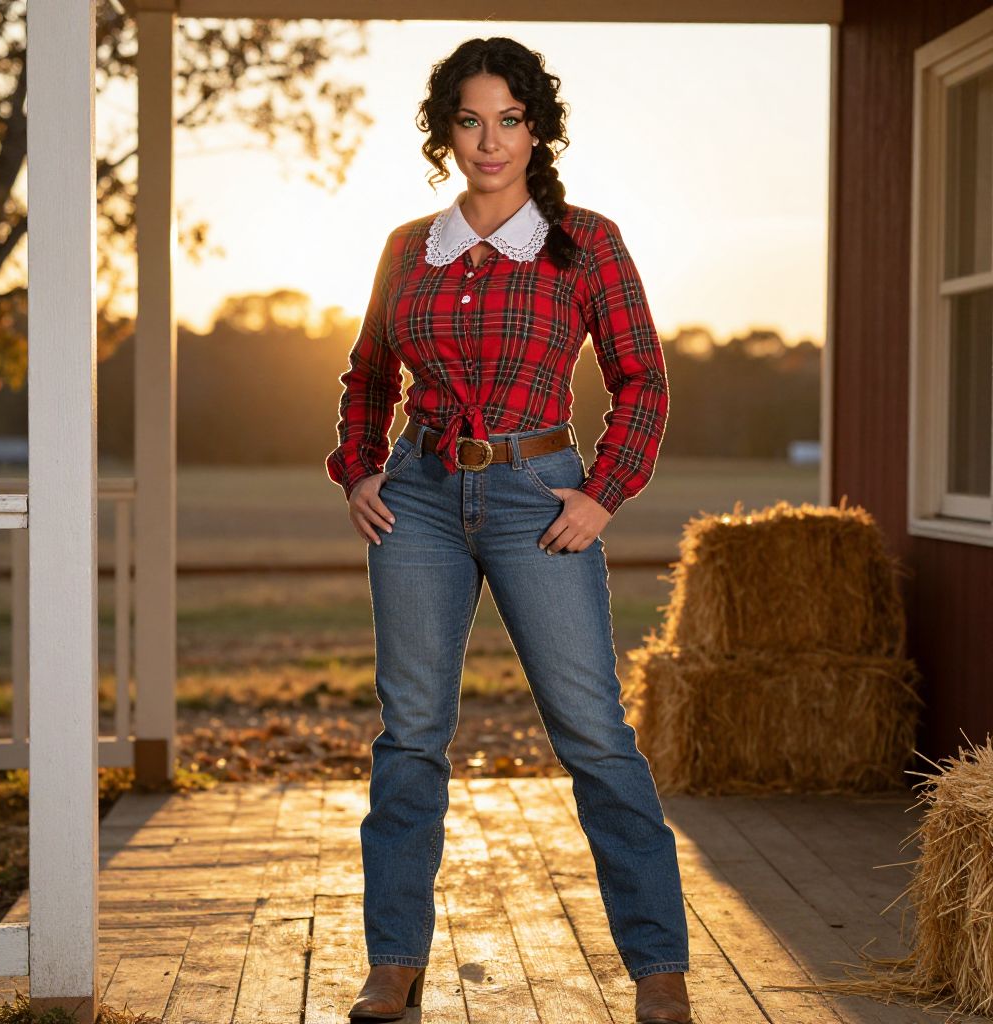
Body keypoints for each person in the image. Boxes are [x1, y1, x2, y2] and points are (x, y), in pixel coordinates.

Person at [325, 35, 692, 1024]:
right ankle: (391, 963)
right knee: (410, 737)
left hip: (541, 498)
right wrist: (359, 466)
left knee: (594, 734)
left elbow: (641, 381)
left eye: (509, 119)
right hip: (421, 502)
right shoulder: (407, 246)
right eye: (469, 119)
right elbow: (368, 373)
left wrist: (600, 492)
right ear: (445, 130)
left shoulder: (586, 241)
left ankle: (659, 969)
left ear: (536, 128)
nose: (489, 141)